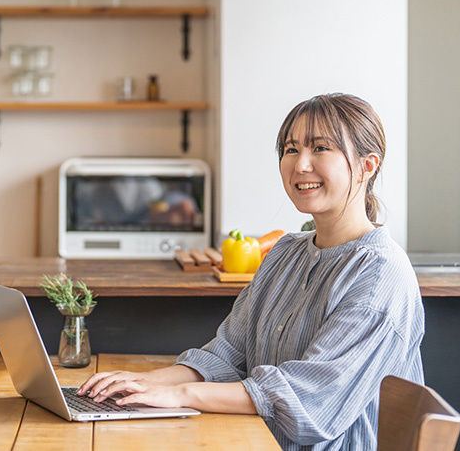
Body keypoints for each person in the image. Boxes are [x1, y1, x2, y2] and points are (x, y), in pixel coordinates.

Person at [77, 93, 424, 451]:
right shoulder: (284, 253)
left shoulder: (380, 274)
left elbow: (308, 402)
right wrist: (144, 383)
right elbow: (227, 354)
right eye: (290, 150)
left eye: (320, 148)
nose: (300, 165)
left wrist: (179, 393)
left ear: (368, 166)